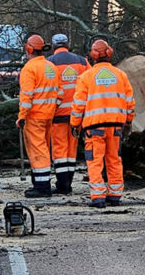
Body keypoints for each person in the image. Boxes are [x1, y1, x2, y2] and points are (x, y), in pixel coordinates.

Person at [70, 39, 135, 208]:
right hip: (115, 126)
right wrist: (128, 120)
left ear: (92, 55)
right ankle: (115, 195)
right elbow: (130, 101)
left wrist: (74, 124)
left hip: (94, 128)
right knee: (114, 160)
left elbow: (78, 104)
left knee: (95, 162)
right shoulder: (120, 75)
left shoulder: (86, 77)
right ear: (109, 53)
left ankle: (98, 197)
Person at [18, 33, 62, 198]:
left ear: (28, 49)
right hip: (48, 116)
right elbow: (60, 94)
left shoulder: (29, 69)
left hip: (34, 116)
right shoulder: (51, 67)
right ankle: (40, 182)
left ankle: (42, 186)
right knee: (44, 148)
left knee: (38, 151)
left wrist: (22, 116)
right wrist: (51, 108)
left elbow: (27, 97)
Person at [46, 33, 89, 194]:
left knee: (59, 149)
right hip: (77, 114)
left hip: (57, 114)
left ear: (53, 46)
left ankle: (63, 184)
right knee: (72, 149)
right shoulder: (82, 62)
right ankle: (68, 182)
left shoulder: (49, 63)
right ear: (67, 43)